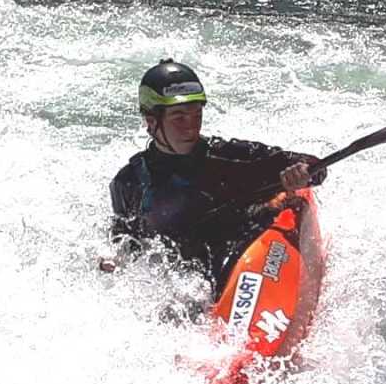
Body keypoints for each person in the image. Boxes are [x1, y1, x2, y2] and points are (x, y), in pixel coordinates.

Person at [101, 59, 326, 294]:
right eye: (179, 117)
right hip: (181, 281)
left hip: (241, 260)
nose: (191, 127)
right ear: (151, 122)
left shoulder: (228, 156)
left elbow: (316, 168)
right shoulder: (128, 182)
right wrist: (113, 261)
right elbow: (124, 238)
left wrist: (302, 172)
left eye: (196, 115)